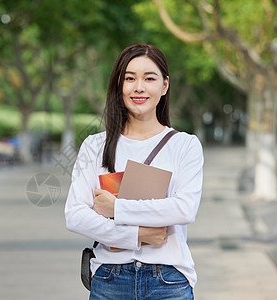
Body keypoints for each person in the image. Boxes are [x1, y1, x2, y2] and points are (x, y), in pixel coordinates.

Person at [65, 43, 204, 299]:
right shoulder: (95, 145)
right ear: (120, 85)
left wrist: (115, 208)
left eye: (149, 78)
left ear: (164, 86)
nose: (139, 87)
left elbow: (184, 208)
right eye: (130, 78)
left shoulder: (185, 145)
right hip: (110, 280)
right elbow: (75, 215)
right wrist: (137, 235)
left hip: (169, 280)